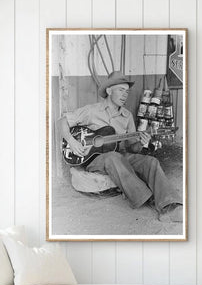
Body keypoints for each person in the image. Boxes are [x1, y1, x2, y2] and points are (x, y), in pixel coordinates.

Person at [58, 71, 183, 223]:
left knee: (151, 162)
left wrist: (142, 142)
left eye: (127, 91)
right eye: (121, 90)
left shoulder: (127, 115)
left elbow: (133, 148)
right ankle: (146, 198)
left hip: (120, 155)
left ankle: (170, 205)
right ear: (109, 91)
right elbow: (62, 121)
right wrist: (71, 141)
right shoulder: (92, 110)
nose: (125, 95)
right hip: (95, 159)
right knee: (113, 157)